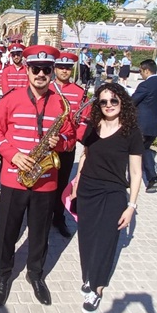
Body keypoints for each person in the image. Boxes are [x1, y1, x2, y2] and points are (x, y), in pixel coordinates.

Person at [0, 45, 75, 307]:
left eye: (46, 69)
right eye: (36, 68)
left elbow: (71, 137)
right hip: (14, 177)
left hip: (46, 179)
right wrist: (12, 154)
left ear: (52, 71)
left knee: (39, 232)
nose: (41, 74)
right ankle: (3, 275)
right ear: (27, 69)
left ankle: (35, 274)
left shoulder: (61, 103)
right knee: (7, 230)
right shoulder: (11, 99)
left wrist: (59, 143)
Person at [70, 83, 143, 313]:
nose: (109, 105)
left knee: (106, 241)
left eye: (113, 100)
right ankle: (89, 276)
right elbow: (85, 157)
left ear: (122, 101)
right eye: (103, 101)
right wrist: (76, 185)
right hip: (87, 190)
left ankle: (98, 288)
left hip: (113, 193)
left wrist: (131, 206)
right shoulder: (93, 126)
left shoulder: (131, 132)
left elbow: (137, 172)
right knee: (87, 238)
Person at [48, 52, 88, 238]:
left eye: (68, 68)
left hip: (66, 146)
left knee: (62, 183)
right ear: (55, 69)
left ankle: (58, 216)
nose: (64, 71)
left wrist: (74, 140)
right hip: (46, 144)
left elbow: (85, 119)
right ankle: (41, 215)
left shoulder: (80, 93)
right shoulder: (46, 88)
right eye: (61, 67)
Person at [131, 59, 157, 194]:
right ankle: (152, 179)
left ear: (147, 70)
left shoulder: (145, 85)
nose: (141, 74)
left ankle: (127, 179)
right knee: (145, 149)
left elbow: (132, 101)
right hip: (155, 125)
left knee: (130, 150)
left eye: (141, 71)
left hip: (141, 124)